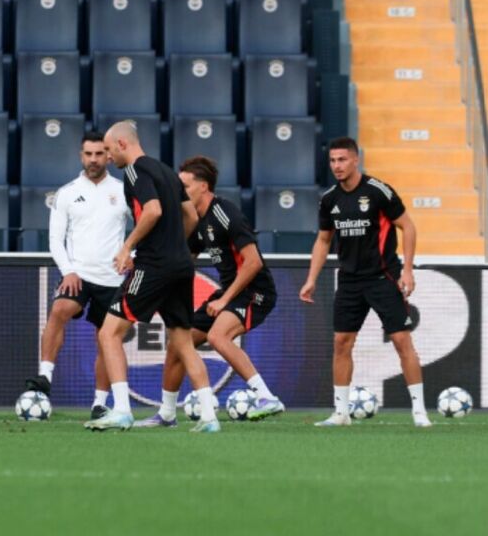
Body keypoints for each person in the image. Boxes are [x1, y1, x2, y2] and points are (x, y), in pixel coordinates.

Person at [84, 121, 221, 433]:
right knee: (183, 342)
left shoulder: (134, 172)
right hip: (181, 266)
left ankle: (120, 410)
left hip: (153, 266)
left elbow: (153, 210)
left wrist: (127, 248)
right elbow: (192, 216)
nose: (106, 158)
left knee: (109, 332)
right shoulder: (168, 172)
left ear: (121, 144)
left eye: (107, 150)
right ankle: (210, 418)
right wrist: (176, 248)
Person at [137, 156, 284, 428]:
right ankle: (167, 414)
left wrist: (225, 300)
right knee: (178, 343)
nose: (180, 193)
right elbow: (182, 261)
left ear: (203, 187)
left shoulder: (225, 213)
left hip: (255, 292)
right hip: (228, 293)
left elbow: (254, 263)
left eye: (186, 186)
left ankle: (266, 397)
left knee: (218, 336)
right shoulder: (198, 220)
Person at [300, 137, 430, 427]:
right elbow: (323, 241)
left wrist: (407, 270)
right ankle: (340, 413)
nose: (337, 166)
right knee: (341, 342)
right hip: (348, 281)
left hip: (383, 276)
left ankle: (419, 412)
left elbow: (408, 226)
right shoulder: (329, 199)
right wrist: (311, 279)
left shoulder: (378, 191)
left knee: (400, 340)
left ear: (356, 160)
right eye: (333, 161)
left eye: (342, 160)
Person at [24, 131, 128, 420]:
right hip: (78, 275)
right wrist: (68, 270)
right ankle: (45, 376)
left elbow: (147, 224)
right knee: (59, 309)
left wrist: (132, 254)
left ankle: (99, 403)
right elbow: (56, 240)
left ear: (108, 156)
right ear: (81, 156)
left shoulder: (122, 191)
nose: (93, 159)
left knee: (106, 340)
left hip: (113, 279)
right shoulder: (67, 192)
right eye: (88, 154)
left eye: (99, 154)